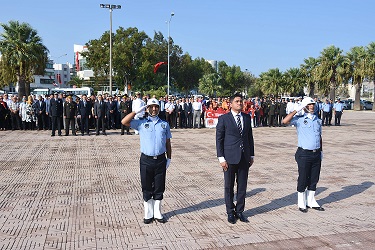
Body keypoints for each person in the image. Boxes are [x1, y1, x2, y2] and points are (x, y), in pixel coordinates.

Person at [121, 98, 172, 224]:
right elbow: (124, 121)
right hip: (146, 160)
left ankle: (157, 212)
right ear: (147, 108)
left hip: (160, 159)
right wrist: (135, 111)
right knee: (146, 186)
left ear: (159, 108)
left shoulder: (164, 124)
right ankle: (148, 213)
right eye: (151, 107)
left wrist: (169, 158)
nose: (154, 109)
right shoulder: (141, 123)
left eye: (156, 107)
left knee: (159, 186)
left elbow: (168, 142)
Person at [216, 93, 255, 224]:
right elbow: (219, 139)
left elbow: (250, 137)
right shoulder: (224, 119)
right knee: (229, 186)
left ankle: (240, 211)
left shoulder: (247, 117)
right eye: (237, 101)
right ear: (231, 104)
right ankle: (230, 212)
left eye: (241, 101)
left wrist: (252, 154)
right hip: (229, 157)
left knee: (242, 186)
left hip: (244, 157)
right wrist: (221, 158)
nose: (240, 103)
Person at [282, 97, 325, 213]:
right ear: (305, 106)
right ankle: (301, 202)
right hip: (304, 154)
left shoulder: (318, 120)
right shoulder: (299, 119)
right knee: (303, 178)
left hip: (316, 153)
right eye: (309, 105)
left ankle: (311, 201)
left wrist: (321, 151)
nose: (312, 107)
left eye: (313, 105)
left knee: (314, 178)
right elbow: (284, 121)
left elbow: (319, 136)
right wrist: (297, 110)